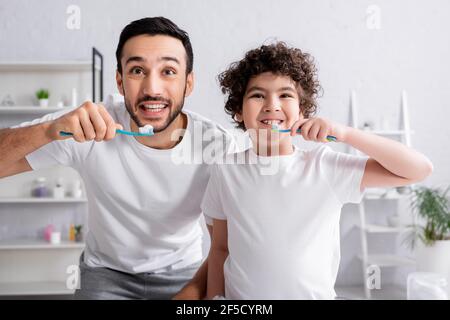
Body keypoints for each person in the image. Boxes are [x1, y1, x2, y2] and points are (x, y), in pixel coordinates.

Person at [0, 17, 235, 299]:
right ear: (120, 81)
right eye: (137, 70)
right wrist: (47, 130)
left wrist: (192, 293)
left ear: (189, 83)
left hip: (186, 274)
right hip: (105, 274)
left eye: (169, 71)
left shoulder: (217, 144)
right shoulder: (88, 125)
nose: (152, 89)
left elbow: (225, 245)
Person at [203, 42, 433, 299]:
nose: (272, 105)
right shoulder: (225, 170)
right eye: (258, 95)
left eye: (285, 95)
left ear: (302, 111)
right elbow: (220, 249)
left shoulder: (325, 166)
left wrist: (344, 134)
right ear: (238, 111)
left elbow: (418, 169)